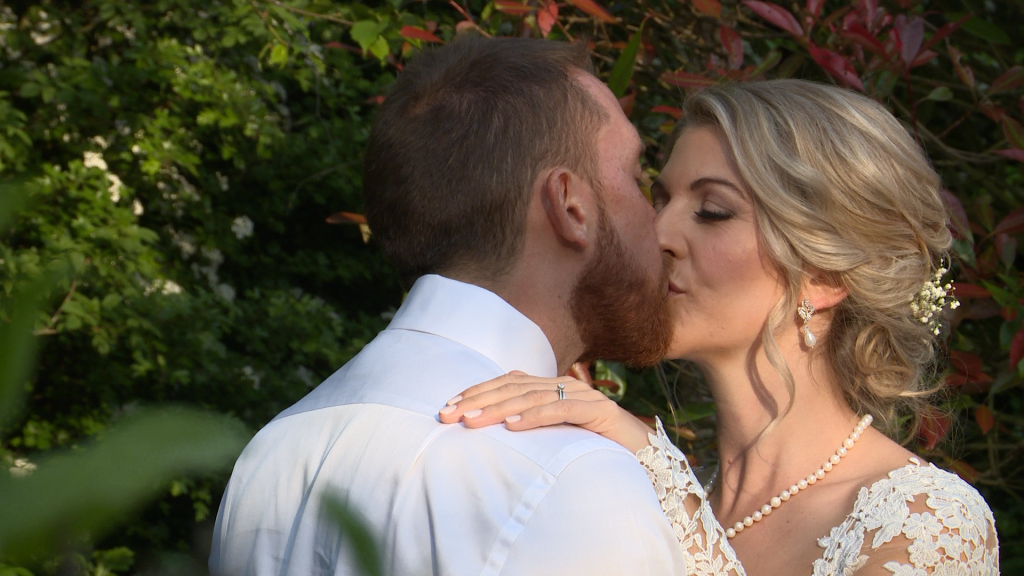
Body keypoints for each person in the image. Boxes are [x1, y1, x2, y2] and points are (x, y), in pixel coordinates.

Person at [439, 80, 1000, 575]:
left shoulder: (928, 524)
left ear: (824, 274)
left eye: (712, 210)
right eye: (659, 200)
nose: (657, 233)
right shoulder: (632, 490)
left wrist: (657, 467)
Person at [209, 35, 701, 576]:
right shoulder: (575, 478)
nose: (659, 225)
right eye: (636, 178)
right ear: (570, 205)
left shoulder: (271, 449)